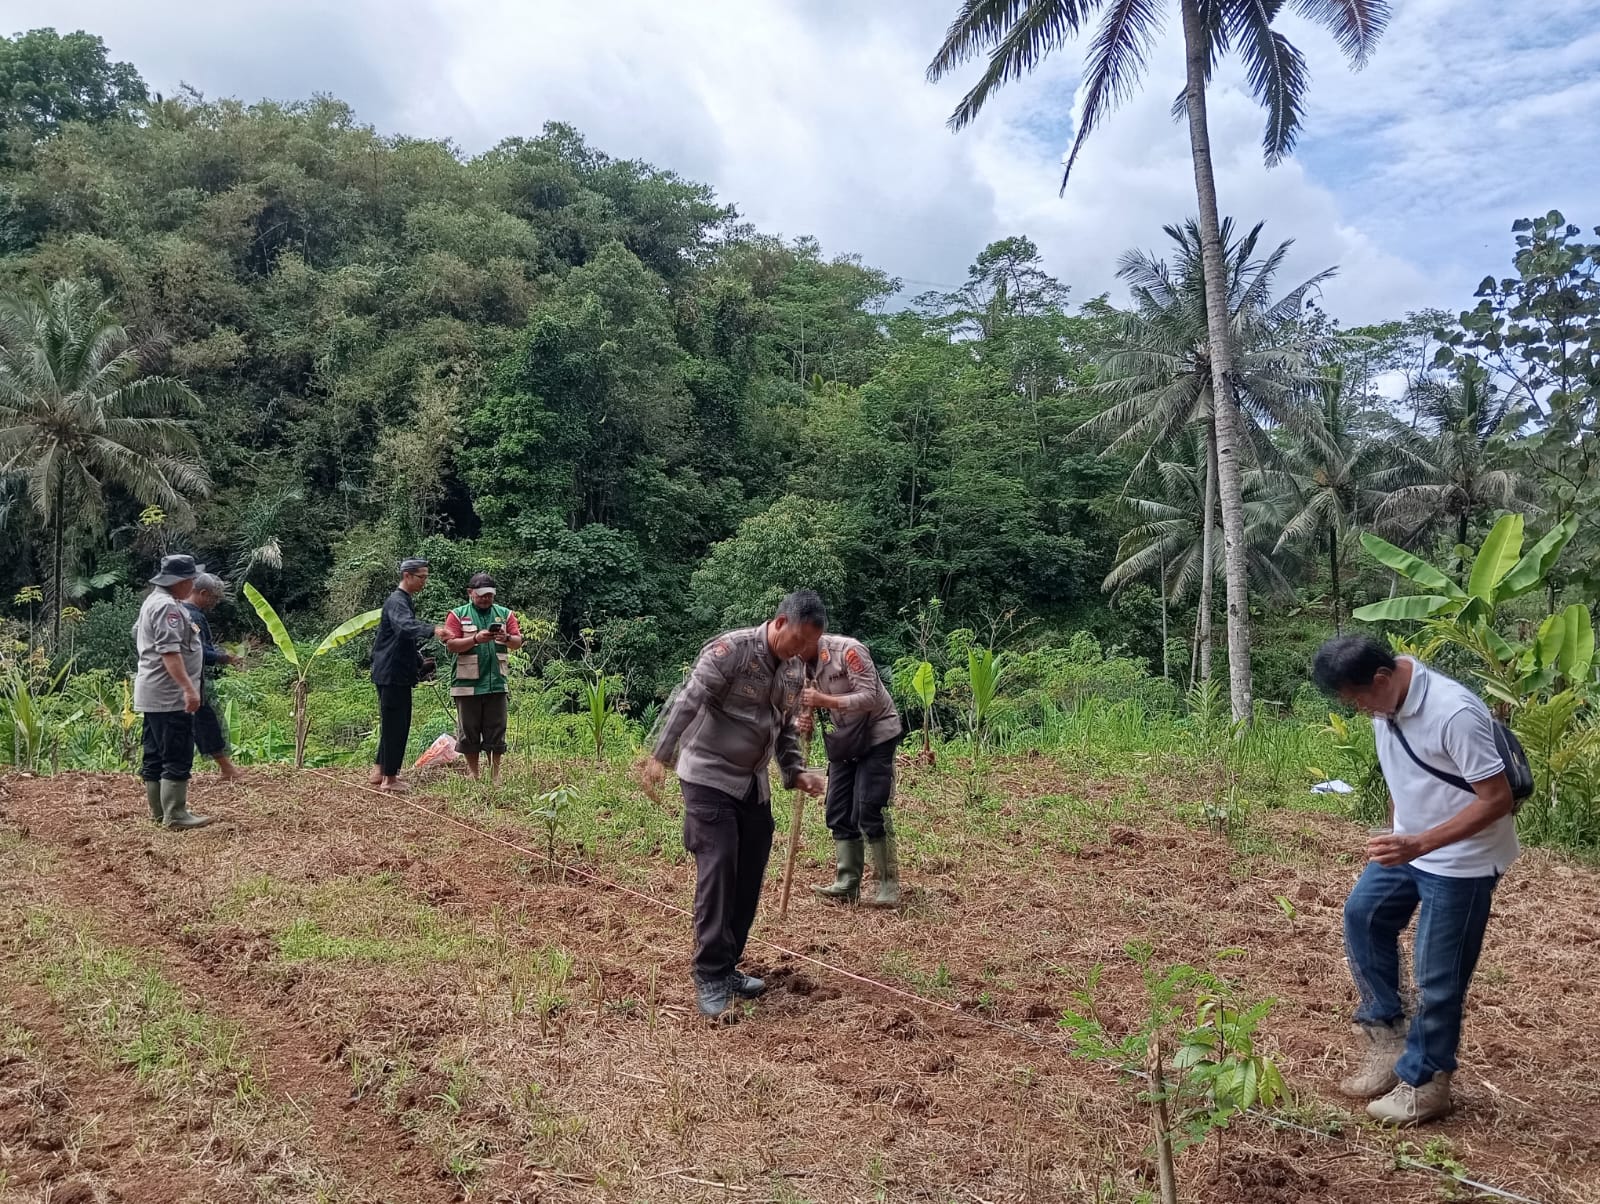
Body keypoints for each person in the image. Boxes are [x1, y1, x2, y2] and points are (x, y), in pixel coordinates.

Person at [1312, 634, 1517, 1126]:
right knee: (1364, 916)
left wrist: (1419, 844)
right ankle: (1386, 1036)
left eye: (1356, 699)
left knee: (1436, 976)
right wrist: (1396, 833)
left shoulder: (1453, 712)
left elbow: (1497, 799)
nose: (1357, 709)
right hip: (1410, 847)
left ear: (1381, 680)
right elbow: (1403, 776)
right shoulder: (1386, 708)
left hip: (1461, 860)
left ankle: (1427, 1082)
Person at [638, 590, 829, 1019]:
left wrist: (795, 772)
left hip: (751, 785)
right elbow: (688, 699)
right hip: (707, 776)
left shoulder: (794, 672)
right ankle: (708, 973)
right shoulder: (732, 650)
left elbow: (783, 730)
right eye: (796, 640)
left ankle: (728, 968)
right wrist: (659, 756)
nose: (800, 652)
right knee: (719, 866)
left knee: (749, 873)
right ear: (780, 623)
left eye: (808, 646)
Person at [800, 634, 907, 907]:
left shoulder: (849, 651)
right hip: (846, 739)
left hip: (877, 733)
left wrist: (824, 700)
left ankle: (887, 883)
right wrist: (802, 720)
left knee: (868, 807)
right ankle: (847, 882)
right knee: (837, 809)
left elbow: (869, 697)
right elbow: (799, 703)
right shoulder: (798, 663)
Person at [132, 554, 212, 830]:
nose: (192, 585)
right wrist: (189, 690)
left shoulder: (154, 602)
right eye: (190, 580)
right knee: (176, 753)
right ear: (179, 581)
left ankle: (159, 813)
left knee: (155, 754)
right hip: (168, 696)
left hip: (152, 693)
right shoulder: (168, 608)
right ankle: (176, 815)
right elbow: (170, 653)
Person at [368, 558, 448, 793]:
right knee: (397, 725)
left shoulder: (403, 601)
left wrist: (420, 663)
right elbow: (405, 628)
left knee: (392, 722)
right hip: (392, 674)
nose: (424, 581)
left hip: (394, 671)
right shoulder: (397, 601)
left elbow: (402, 640)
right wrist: (433, 630)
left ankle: (379, 769)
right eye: (421, 577)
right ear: (407, 576)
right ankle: (390, 779)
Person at [442, 572, 524, 785]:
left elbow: (517, 642)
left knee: (497, 729)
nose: (486, 598)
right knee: (468, 730)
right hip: (466, 684)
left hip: (496, 681)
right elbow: (451, 645)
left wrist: (505, 638)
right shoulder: (457, 615)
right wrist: (475, 639)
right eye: (481, 595)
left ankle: (495, 775)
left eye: (490, 595)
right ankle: (474, 774)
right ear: (470, 593)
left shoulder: (505, 614)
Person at [185, 572, 247, 783]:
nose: (214, 603)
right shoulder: (193, 616)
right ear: (203, 593)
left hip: (185, 679)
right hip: (189, 680)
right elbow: (199, 652)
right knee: (204, 722)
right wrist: (224, 657)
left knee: (201, 722)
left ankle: (226, 768)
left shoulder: (184, 612)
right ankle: (227, 769)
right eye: (214, 598)